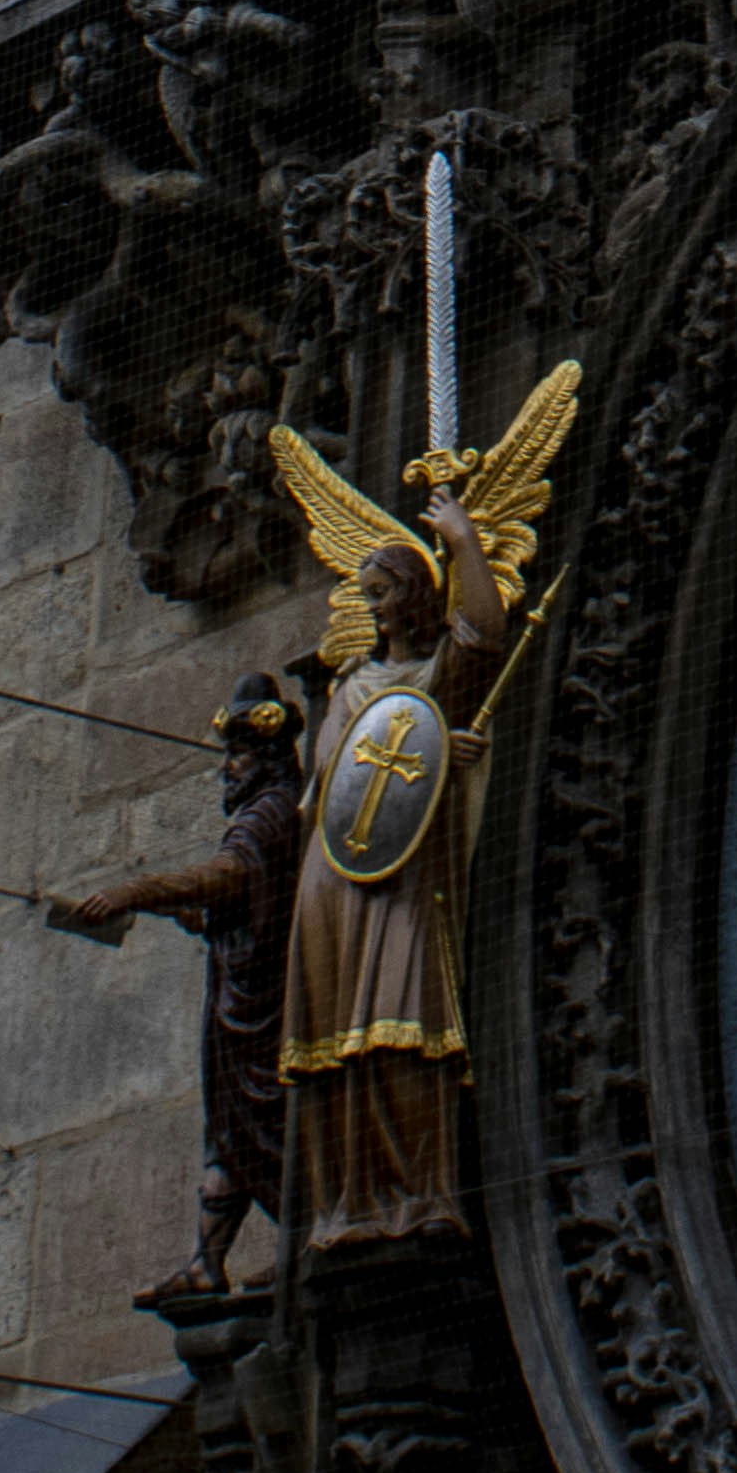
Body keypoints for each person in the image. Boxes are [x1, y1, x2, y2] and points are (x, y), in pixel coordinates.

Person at [281, 492, 509, 1252]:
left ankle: (421, 1189)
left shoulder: (439, 673)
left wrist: (463, 541)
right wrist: (438, 748)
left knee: (405, 1019)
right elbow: (331, 791)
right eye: (367, 595)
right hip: (334, 877)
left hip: (408, 874)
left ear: (413, 593)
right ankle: (347, 1200)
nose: (373, 608)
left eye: (381, 592)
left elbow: (484, 635)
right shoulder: (350, 685)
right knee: (339, 1040)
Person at [44, 675, 308, 1291]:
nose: (226, 768)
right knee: (230, 1130)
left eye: (237, 754)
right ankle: (205, 1263)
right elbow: (237, 901)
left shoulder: (271, 813)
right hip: (238, 1003)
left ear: (267, 756)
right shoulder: (264, 812)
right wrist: (192, 914)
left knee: (268, 1124)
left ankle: (302, 1238)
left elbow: (226, 878)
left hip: (267, 1010)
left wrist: (135, 891)